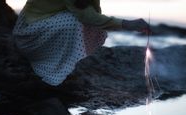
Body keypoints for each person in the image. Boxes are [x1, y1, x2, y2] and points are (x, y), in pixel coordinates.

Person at [13, 0, 150, 86]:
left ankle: (59, 63)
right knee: (74, 22)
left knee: (89, 24)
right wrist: (127, 24)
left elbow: (91, 11)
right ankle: (49, 68)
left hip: (39, 27)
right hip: (27, 36)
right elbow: (86, 15)